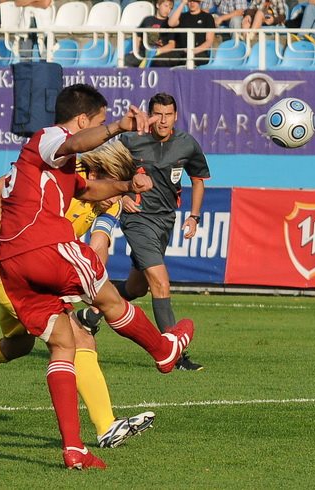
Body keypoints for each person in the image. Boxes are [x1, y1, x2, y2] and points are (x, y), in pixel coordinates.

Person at [0, 84, 195, 470]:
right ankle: (164, 352)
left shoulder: (54, 167)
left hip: (13, 265)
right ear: (83, 120)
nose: (100, 130)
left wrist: (126, 186)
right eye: (98, 121)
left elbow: (88, 189)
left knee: (64, 345)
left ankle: (74, 449)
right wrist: (117, 127)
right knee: (110, 300)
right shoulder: (49, 138)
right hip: (44, 248)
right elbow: (74, 141)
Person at [0, 142, 156, 450]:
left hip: (47, 277)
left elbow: (99, 245)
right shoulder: (63, 170)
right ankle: (106, 426)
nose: (116, 199)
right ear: (99, 174)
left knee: (18, 345)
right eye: (115, 189)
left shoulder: (108, 202)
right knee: (79, 339)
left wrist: (94, 289)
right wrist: (2, 236)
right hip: (18, 276)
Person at [107, 92, 209, 372]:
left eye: (168, 115)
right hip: (137, 220)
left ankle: (91, 307)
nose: (163, 121)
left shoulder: (187, 144)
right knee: (161, 283)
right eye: (158, 115)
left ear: (176, 116)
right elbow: (104, 171)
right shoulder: (130, 140)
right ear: (150, 116)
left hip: (165, 221)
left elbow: (198, 180)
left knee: (136, 288)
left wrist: (194, 217)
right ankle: (175, 355)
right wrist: (121, 196)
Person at [125, 0, 178, 67]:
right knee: (125, 59)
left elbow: (171, 45)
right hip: (143, 53)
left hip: (159, 55)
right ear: (158, 5)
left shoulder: (170, 24)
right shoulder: (147, 20)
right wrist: (136, 50)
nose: (168, 10)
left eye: (170, 8)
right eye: (166, 6)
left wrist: (158, 51)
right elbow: (138, 36)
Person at [168, 0, 216, 67]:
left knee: (187, 60)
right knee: (159, 61)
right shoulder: (182, 16)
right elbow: (171, 23)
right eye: (190, 1)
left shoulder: (207, 17)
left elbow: (209, 41)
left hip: (199, 53)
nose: (192, 3)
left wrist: (193, 51)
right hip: (181, 52)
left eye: (195, 1)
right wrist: (183, 3)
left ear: (199, 2)